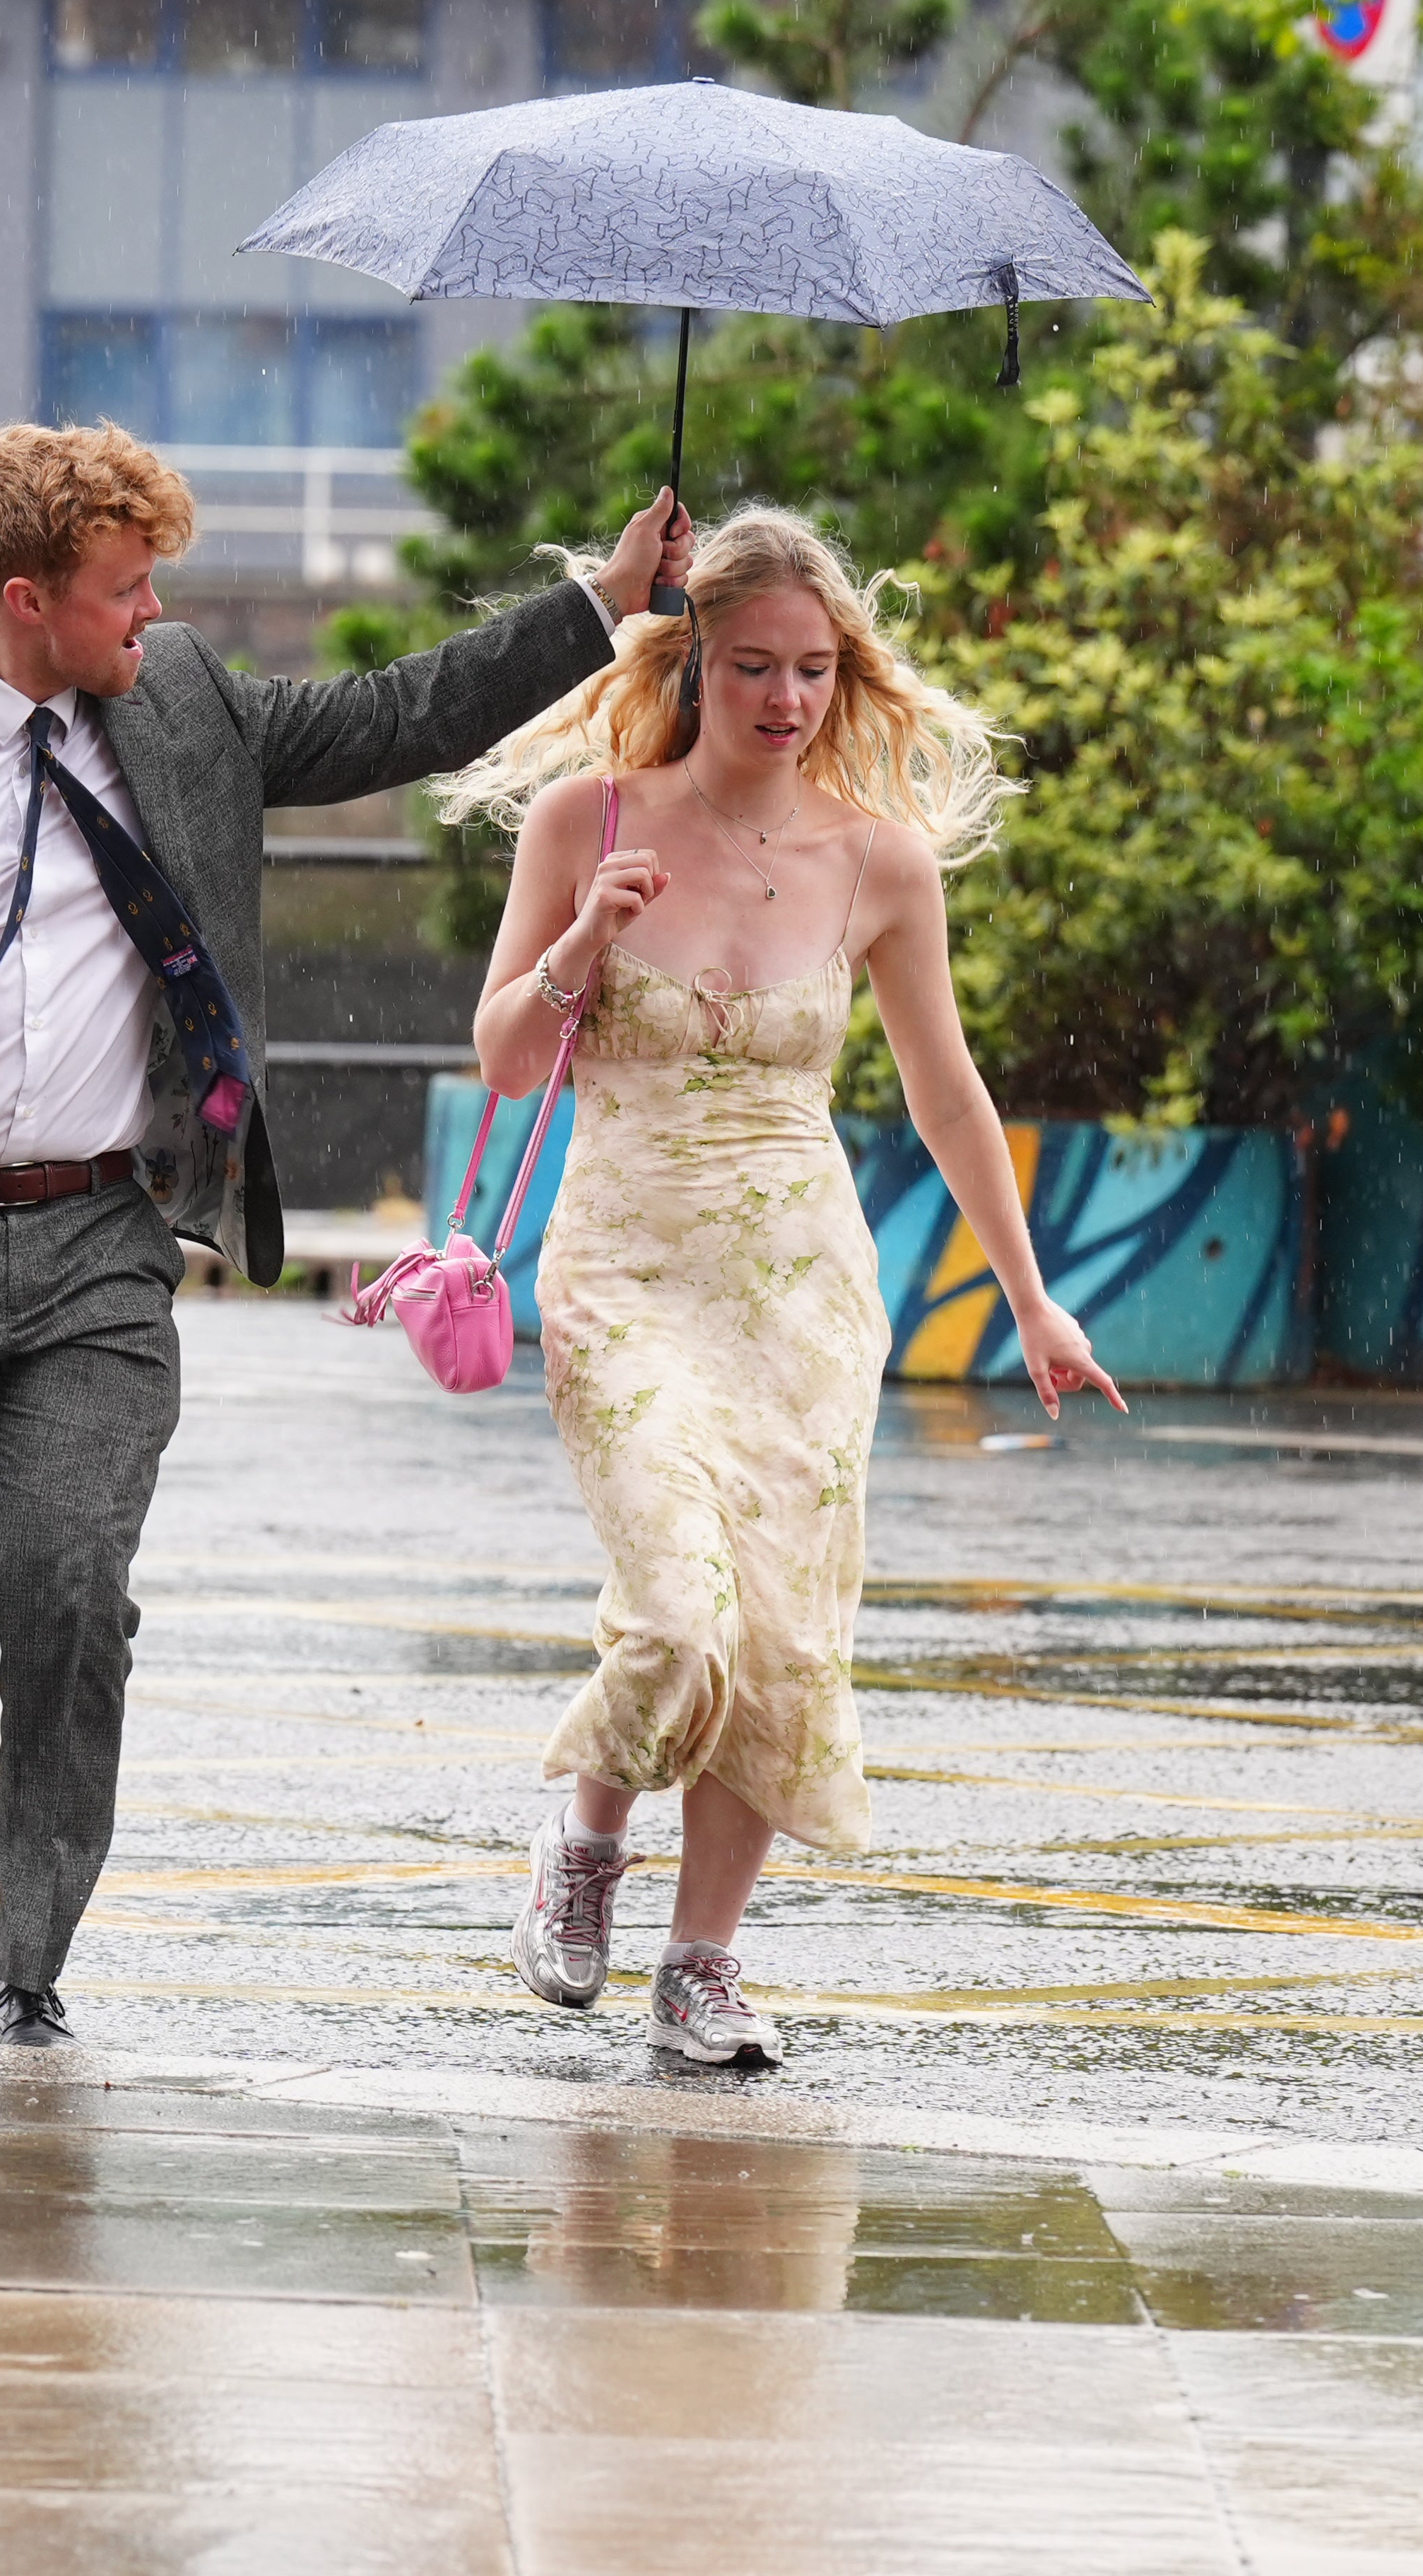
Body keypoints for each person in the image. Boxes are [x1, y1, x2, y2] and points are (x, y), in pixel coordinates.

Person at [0, 423, 690, 2047]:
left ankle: (26, 1967)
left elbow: (383, 720)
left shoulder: (181, 701)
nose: (153, 614)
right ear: (24, 595)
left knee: (73, 1583)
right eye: (126, 589)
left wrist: (599, 607)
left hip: (97, 1244)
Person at [446, 505, 1126, 2068]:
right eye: (753, 663)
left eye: (814, 669)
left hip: (805, 1287)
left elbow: (948, 1092)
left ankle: (705, 1960)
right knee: (680, 1610)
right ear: (693, 660)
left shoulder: (879, 858)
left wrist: (1031, 1296)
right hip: (626, 1260)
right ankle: (589, 1837)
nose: (786, 697)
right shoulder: (585, 821)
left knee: (783, 1630)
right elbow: (498, 1057)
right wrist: (578, 949)